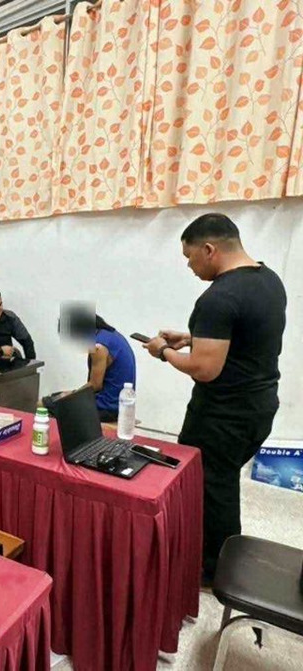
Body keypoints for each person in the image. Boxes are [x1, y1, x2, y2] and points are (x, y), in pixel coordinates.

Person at [142, 213, 285, 582]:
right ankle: (216, 556)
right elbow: (246, 336)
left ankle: (213, 570)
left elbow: (205, 369)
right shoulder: (269, 280)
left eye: (190, 257)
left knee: (210, 487)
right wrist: (192, 338)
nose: (189, 266)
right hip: (259, 406)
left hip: (223, 416)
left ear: (209, 249)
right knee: (222, 481)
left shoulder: (218, 297)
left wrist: (162, 351)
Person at [87, 315, 137, 422]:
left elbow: (95, 385)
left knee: (53, 404)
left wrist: (70, 394)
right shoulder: (112, 335)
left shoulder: (98, 346)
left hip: (106, 408)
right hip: (121, 405)